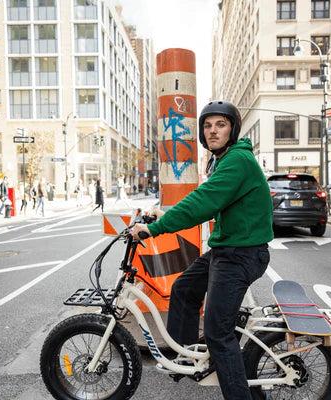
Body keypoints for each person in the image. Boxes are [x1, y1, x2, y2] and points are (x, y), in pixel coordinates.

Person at [132, 100, 274, 400]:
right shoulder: (223, 160)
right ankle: (187, 357)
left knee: (218, 332)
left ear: (233, 129)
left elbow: (204, 201)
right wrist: (165, 215)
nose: (213, 131)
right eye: (207, 126)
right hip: (228, 250)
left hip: (241, 254)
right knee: (184, 289)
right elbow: (210, 198)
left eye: (220, 125)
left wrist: (155, 228)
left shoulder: (237, 160)